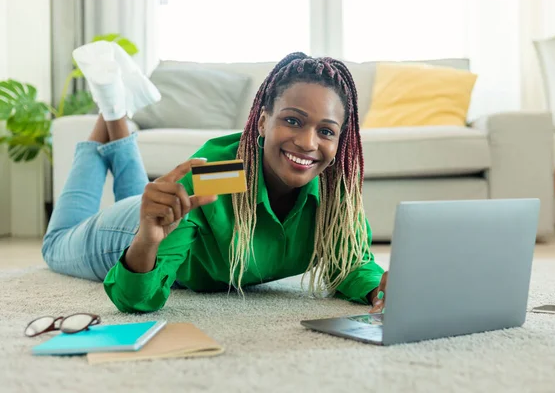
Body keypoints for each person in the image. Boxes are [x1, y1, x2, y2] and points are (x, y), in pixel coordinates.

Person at [42, 41, 388, 314]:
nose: (308, 142)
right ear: (263, 121)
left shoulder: (334, 192)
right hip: (130, 238)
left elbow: (353, 265)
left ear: (341, 140)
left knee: (152, 200)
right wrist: (146, 240)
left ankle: (116, 106)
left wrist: (384, 290)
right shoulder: (221, 177)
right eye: (293, 121)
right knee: (56, 245)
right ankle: (110, 104)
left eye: (326, 131)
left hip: (163, 216)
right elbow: (136, 299)